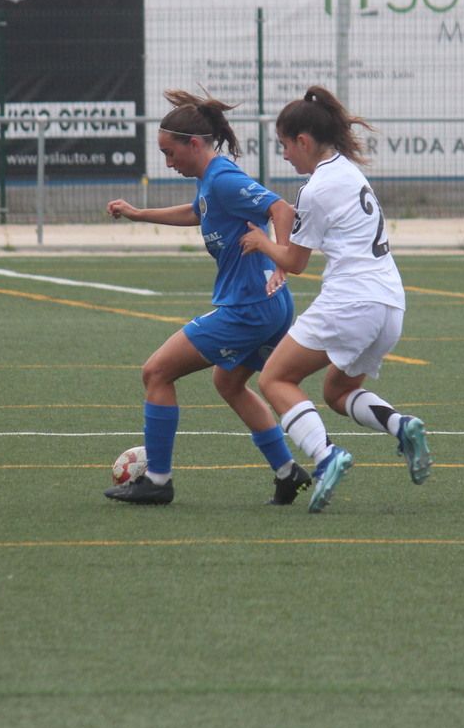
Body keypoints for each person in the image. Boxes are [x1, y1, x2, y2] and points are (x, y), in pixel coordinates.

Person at [103, 90, 310, 506]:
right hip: (269, 306)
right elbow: (198, 211)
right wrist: (140, 214)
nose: (167, 162)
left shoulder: (224, 179)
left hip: (248, 308)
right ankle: (288, 473)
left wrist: (282, 259)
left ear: (193, 144)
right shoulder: (211, 182)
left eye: (169, 152)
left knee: (156, 372)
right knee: (229, 383)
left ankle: (157, 481)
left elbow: (282, 210)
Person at [240, 86, 432, 514]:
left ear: (303, 142)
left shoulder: (317, 187)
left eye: (285, 146)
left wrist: (261, 242)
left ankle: (326, 457)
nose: (285, 155)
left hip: (351, 302)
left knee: (274, 379)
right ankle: (401, 426)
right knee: (337, 390)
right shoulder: (348, 170)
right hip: (390, 305)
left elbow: (296, 260)